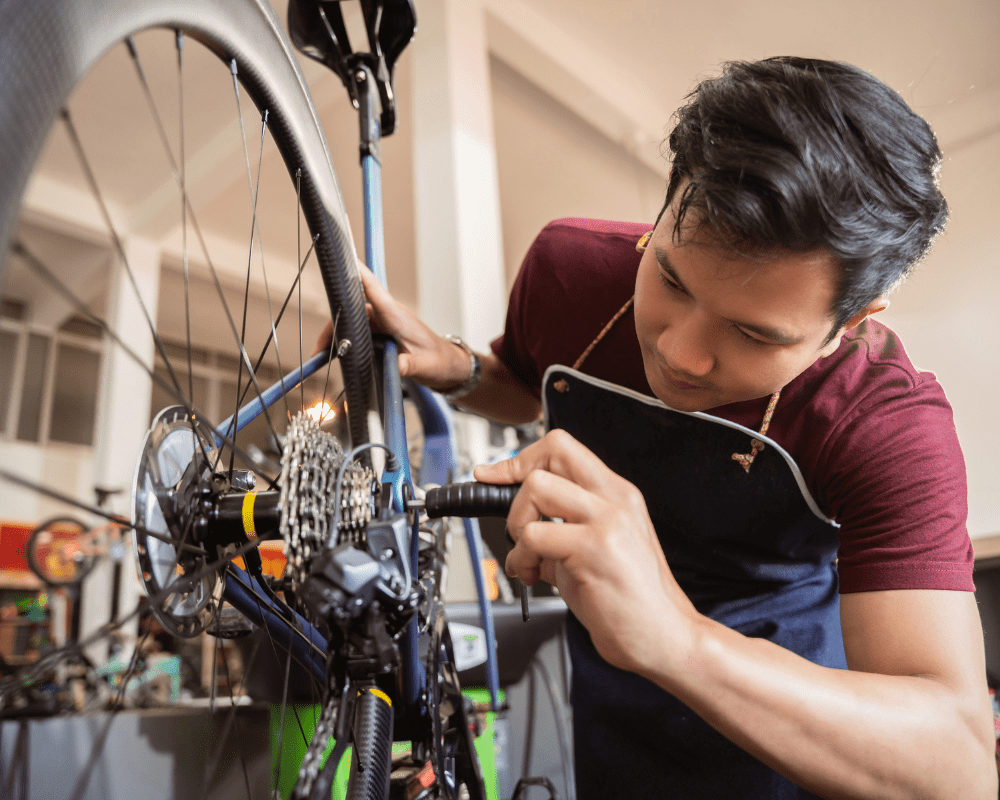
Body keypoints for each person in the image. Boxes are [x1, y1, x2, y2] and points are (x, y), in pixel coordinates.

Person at [340, 57, 997, 798]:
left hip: (802, 725)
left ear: (850, 325)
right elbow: (526, 388)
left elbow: (959, 764)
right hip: (612, 698)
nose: (681, 354)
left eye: (755, 335)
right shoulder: (569, 272)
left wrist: (675, 636)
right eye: (672, 281)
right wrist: (456, 367)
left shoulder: (884, 422)